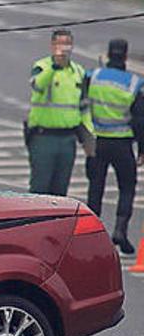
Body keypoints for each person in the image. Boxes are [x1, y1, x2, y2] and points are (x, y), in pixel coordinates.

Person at [84, 39, 144, 255]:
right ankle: (120, 230)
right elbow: (140, 119)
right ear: (126, 57)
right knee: (127, 187)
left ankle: (90, 235)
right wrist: (142, 149)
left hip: (97, 142)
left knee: (95, 187)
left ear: (108, 55)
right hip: (122, 143)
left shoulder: (94, 76)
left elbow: (81, 104)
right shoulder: (133, 83)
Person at [26, 29, 87, 196]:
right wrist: (54, 68)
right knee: (40, 188)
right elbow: (37, 85)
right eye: (60, 44)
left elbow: (83, 106)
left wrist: (88, 139)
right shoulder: (42, 67)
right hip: (44, 137)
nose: (64, 48)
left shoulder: (78, 71)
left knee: (60, 191)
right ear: (52, 46)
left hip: (68, 139)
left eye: (67, 44)